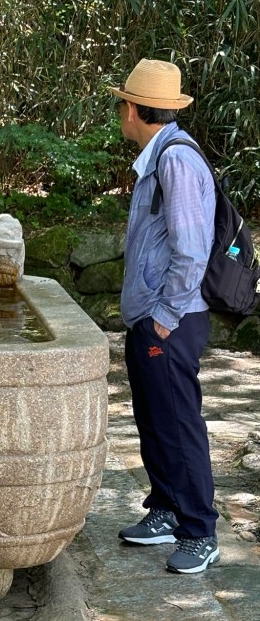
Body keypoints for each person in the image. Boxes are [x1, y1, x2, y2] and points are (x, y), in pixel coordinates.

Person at [110, 59, 219, 574]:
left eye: (122, 106)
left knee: (177, 423)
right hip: (151, 316)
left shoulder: (175, 160)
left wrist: (163, 318)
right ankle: (167, 509)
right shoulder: (159, 157)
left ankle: (200, 531)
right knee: (155, 419)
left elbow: (191, 250)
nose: (120, 115)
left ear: (134, 110)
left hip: (170, 320)